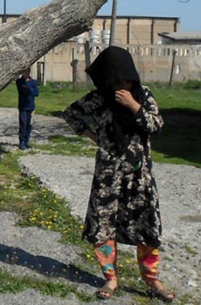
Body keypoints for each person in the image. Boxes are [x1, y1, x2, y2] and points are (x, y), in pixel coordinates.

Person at [62, 46, 175, 302]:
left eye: (127, 79)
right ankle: (110, 279)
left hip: (139, 176)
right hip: (108, 175)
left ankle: (152, 280)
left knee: (147, 227)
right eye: (117, 80)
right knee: (103, 225)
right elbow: (71, 114)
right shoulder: (98, 99)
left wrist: (134, 106)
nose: (123, 84)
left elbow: (156, 126)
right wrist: (91, 135)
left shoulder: (143, 95)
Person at [15, 68, 39, 150]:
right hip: (23, 106)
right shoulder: (19, 81)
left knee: (29, 125)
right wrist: (30, 89)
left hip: (31, 107)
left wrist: (28, 88)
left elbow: (36, 93)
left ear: (29, 72)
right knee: (23, 124)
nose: (25, 73)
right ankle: (21, 142)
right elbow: (23, 91)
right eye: (24, 72)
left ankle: (26, 141)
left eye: (27, 72)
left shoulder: (33, 82)